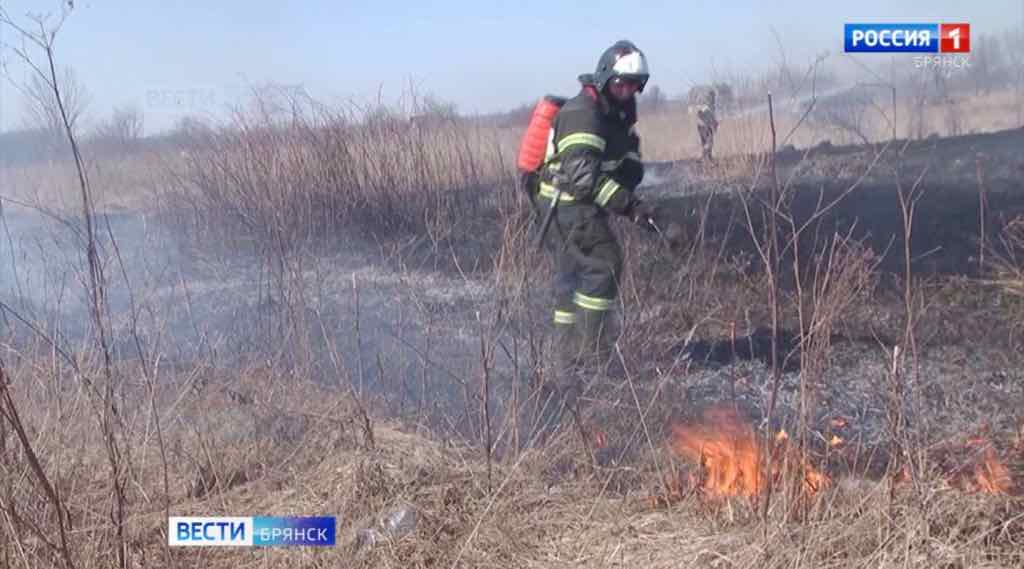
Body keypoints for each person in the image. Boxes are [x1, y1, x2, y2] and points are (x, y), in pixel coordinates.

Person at [530, 40, 659, 426]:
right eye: (621, 83)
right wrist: (633, 208)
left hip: (568, 206)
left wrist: (631, 172)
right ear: (604, 78)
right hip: (567, 204)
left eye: (634, 85)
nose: (627, 91)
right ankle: (593, 354)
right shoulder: (582, 114)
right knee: (604, 264)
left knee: (570, 280)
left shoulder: (612, 113)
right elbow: (584, 180)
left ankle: (564, 359)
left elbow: (620, 159)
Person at [691, 87, 718, 162]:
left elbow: (713, 117)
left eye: (714, 96)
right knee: (708, 142)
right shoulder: (706, 105)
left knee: (708, 142)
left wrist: (715, 123)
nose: (714, 98)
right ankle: (703, 156)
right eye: (713, 96)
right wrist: (702, 115)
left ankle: (708, 157)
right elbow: (699, 113)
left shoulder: (712, 106)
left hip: (708, 126)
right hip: (703, 126)